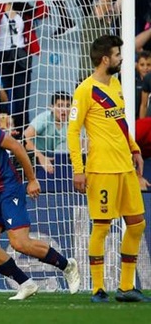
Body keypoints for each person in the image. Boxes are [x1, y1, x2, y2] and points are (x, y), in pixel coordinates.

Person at [0, 97, 81, 300]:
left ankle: (67, 265)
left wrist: (31, 179)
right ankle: (26, 283)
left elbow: (17, 147)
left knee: (20, 243)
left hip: (9, 187)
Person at [67, 35, 151, 303]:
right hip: (101, 170)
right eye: (117, 54)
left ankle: (126, 287)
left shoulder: (115, 84)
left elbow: (121, 123)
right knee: (102, 227)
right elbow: (72, 130)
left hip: (125, 168)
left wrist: (135, 149)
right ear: (105, 59)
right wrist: (78, 169)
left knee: (137, 224)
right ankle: (98, 288)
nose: (121, 58)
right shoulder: (85, 90)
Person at [23, 91, 71, 175]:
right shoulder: (44, 118)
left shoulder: (71, 123)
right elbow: (25, 138)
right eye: (60, 106)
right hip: (28, 153)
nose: (64, 109)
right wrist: (41, 158)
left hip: (48, 154)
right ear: (51, 107)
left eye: (67, 106)